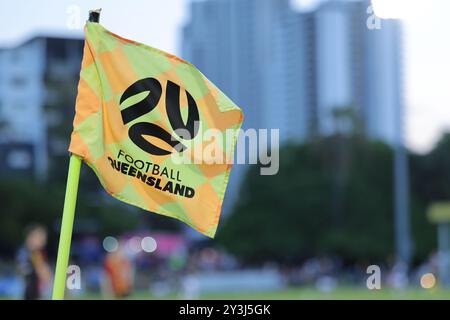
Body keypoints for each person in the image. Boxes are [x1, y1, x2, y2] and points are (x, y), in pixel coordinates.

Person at [17, 224, 52, 300]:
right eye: (41, 238)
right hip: (32, 288)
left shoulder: (23, 251)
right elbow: (41, 268)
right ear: (31, 238)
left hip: (28, 288)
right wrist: (50, 282)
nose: (44, 242)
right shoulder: (35, 252)